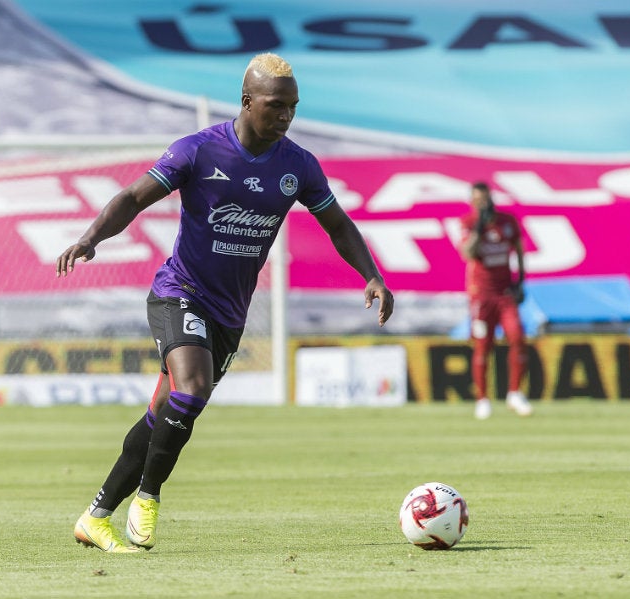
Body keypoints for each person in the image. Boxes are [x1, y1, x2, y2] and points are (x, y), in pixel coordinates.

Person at [56, 53, 394, 553]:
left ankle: (94, 516)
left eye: (293, 107)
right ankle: (146, 500)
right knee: (190, 390)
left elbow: (337, 224)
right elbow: (133, 196)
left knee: (165, 413)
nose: (286, 116)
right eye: (276, 106)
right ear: (247, 101)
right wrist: (91, 237)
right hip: (179, 292)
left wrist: (371, 274)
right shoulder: (197, 151)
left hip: (229, 314)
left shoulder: (298, 165)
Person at [457, 181, 531, 420]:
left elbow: (519, 250)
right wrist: (479, 228)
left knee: (517, 337)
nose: (483, 204)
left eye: (486, 199)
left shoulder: (507, 222)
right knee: (483, 345)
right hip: (481, 295)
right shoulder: (468, 223)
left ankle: (514, 393)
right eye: (478, 200)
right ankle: (482, 399)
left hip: (505, 293)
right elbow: (467, 253)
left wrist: (520, 280)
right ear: (472, 201)